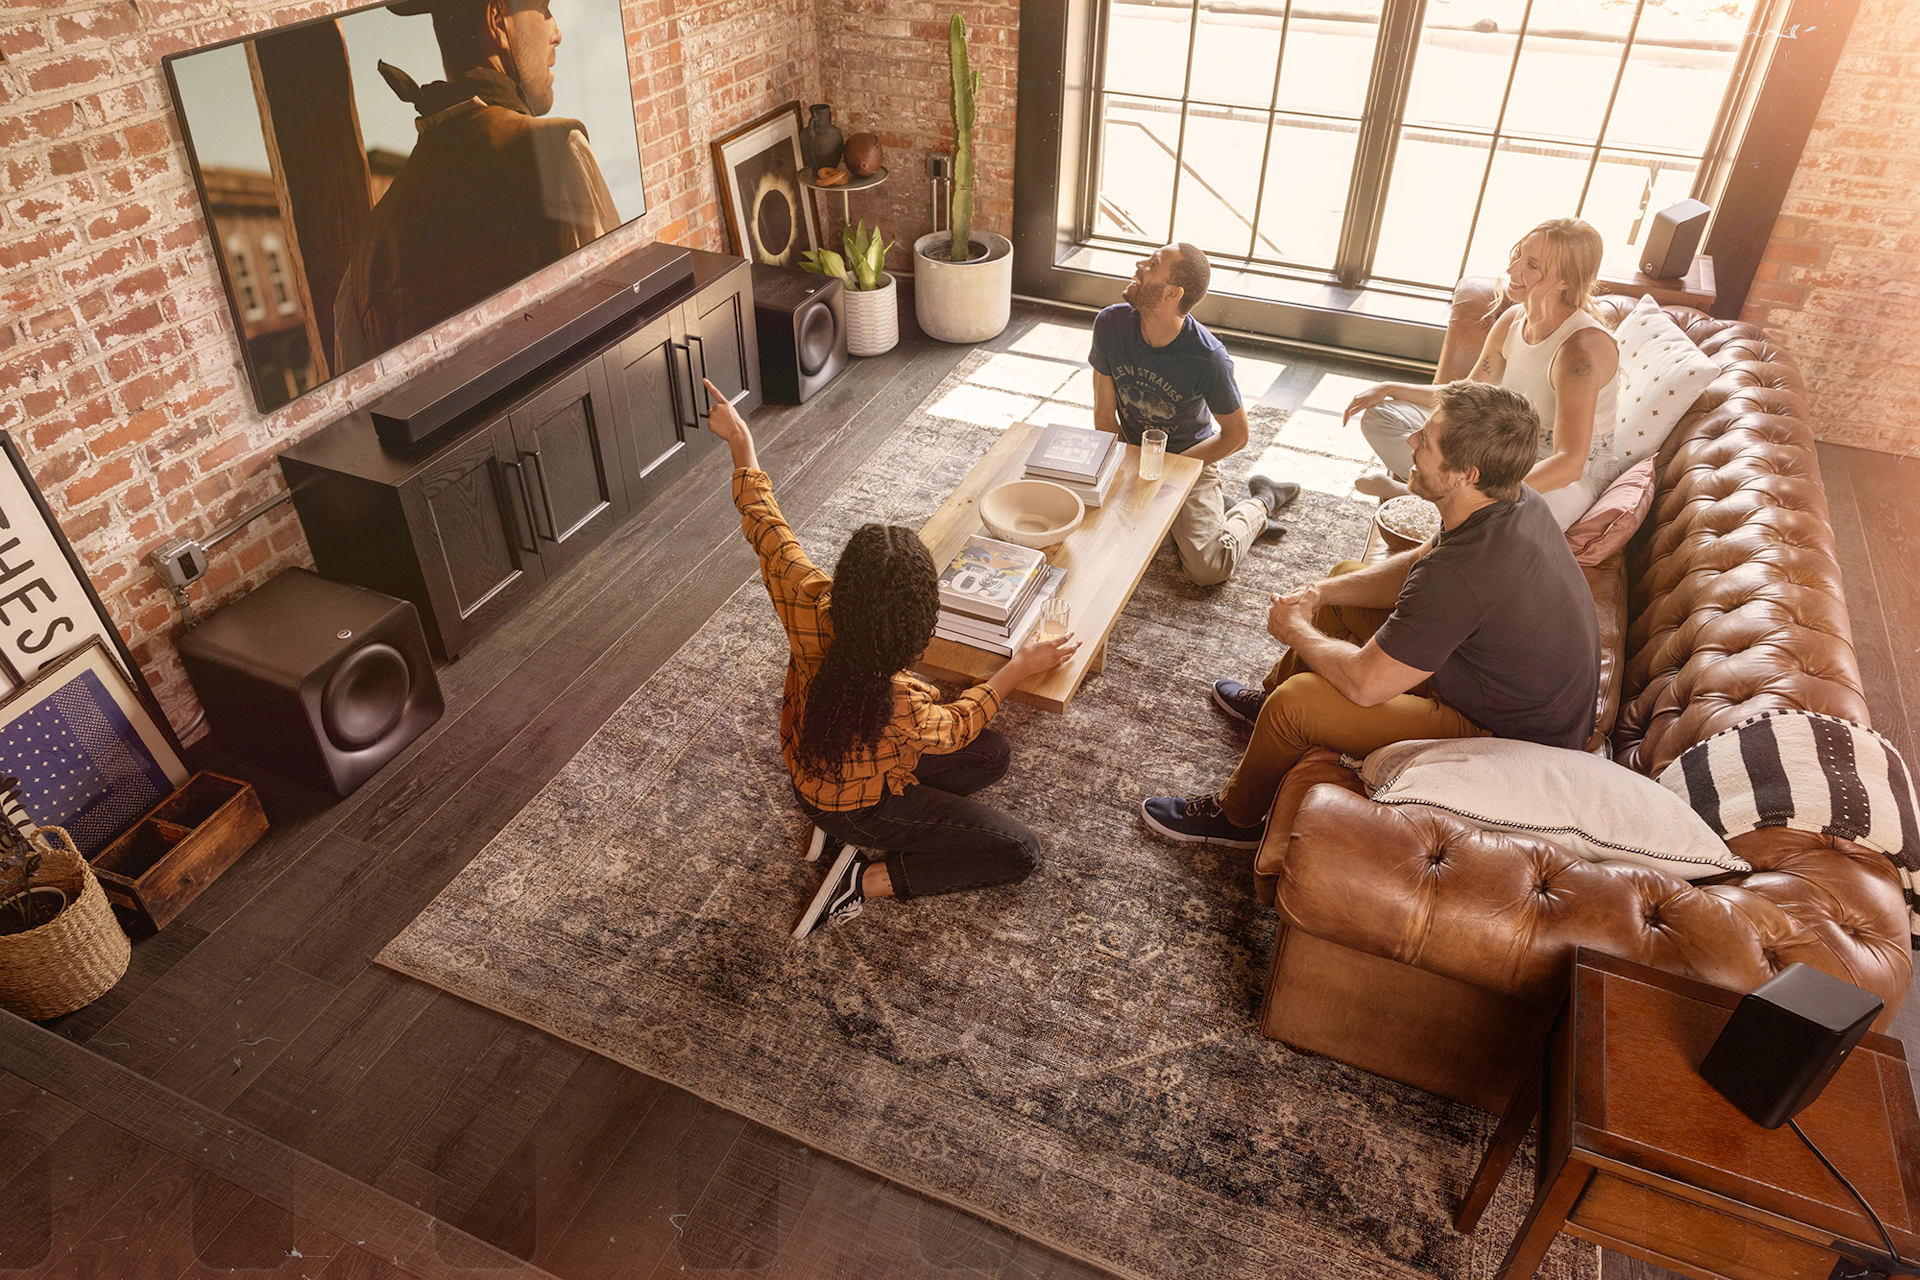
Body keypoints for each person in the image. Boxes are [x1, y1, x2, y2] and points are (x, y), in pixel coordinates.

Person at [1141, 382, 1601, 848]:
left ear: (1466, 473)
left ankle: (1234, 818)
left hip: (1504, 737)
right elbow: (1420, 564)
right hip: (1496, 684)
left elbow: (1366, 684)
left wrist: (1295, 629)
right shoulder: (1512, 499)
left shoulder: (1466, 573)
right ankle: (1266, 707)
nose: (1411, 442)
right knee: (1345, 583)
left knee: (1297, 703)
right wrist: (1320, 593)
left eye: (1426, 440)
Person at [702, 379, 1081, 938]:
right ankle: (864, 875)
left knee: (993, 755)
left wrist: (741, 443)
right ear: (916, 619)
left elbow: (769, 531)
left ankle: (836, 832)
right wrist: (1018, 667)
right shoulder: (899, 698)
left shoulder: (810, 603)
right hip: (858, 806)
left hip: (814, 773)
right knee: (1021, 851)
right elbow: (952, 729)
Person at [332, 0, 621, 366]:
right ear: (498, 21)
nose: (557, 32)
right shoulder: (557, 150)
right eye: (544, 10)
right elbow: (616, 341)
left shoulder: (368, 246)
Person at [1345, 218, 1620, 531]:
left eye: (1531, 265)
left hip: (1565, 474)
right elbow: (1464, 398)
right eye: (1518, 255)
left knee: (1524, 514)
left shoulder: (1579, 352)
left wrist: (1492, 494)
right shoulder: (1514, 319)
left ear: (1566, 281)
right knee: (1381, 416)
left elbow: (1570, 463)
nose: (1513, 270)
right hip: (1501, 452)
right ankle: (1450, 503)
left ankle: (1427, 500)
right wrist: (1389, 388)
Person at [1090, 243, 1299, 586]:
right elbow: (1103, 412)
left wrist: (1168, 474)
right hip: (1131, 452)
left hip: (1189, 460)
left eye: (1152, 264)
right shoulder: (1110, 323)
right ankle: (1211, 505)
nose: (1139, 264)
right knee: (1099, 532)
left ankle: (1260, 503)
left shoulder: (1208, 357)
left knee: (1207, 568)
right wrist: (1117, 469)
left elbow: (1237, 435)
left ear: (1172, 292)